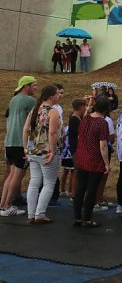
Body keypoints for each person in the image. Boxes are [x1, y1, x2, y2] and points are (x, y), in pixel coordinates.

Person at [23, 85, 61, 224]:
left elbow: (26, 129)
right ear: (51, 96)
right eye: (57, 94)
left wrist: (25, 148)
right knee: (49, 183)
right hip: (46, 151)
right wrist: (53, 150)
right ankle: (40, 214)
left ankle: (31, 214)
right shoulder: (53, 112)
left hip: (33, 150)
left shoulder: (35, 109)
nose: (58, 96)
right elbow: (52, 132)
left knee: (34, 182)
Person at [1, 76, 38, 217]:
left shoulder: (13, 99)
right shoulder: (30, 101)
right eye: (34, 85)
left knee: (11, 174)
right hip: (20, 142)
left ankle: (3, 205)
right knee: (17, 175)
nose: (35, 88)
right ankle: (8, 205)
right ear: (26, 86)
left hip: (9, 142)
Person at [73, 96, 111, 227]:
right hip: (94, 159)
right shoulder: (102, 123)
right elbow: (103, 145)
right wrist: (106, 163)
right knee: (91, 190)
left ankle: (77, 217)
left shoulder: (85, 119)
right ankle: (87, 218)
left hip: (82, 157)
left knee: (81, 188)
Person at [60, 98, 86, 199]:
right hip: (76, 148)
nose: (85, 108)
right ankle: (74, 195)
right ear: (81, 107)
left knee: (77, 171)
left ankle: (75, 194)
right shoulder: (74, 119)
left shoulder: (76, 118)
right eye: (84, 106)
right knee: (77, 172)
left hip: (77, 148)